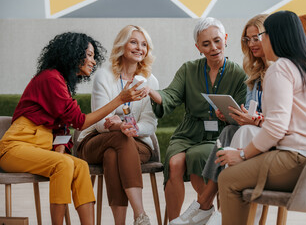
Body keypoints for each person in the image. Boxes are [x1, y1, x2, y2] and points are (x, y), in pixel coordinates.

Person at [0, 32, 147, 225]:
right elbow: (80, 121)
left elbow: (62, 127)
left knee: (80, 166)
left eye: (94, 56)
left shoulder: (61, 82)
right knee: (64, 164)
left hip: (39, 149)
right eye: (89, 55)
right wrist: (120, 98)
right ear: (73, 53)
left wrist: (60, 149)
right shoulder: (50, 78)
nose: (93, 61)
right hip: (14, 149)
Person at [217, 10, 306, 225]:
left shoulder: (282, 67)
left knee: (228, 179)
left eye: (262, 36)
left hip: (302, 161)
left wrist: (241, 155)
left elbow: (276, 130)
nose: (259, 42)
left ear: (274, 36)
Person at [147, 17, 247, 224]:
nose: (213, 48)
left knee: (197, 156)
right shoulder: (188, 69)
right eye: (206, 44)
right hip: (188, 132)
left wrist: (227, 117)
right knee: (174, 163)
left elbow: (242, 114)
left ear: (226, 39)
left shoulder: (238, 74)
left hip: (219, 134)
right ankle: (176, 221)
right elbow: (170, 95)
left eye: (217, 41)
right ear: (198, 47)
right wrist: (150, 92)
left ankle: (203, 213)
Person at [173, 14, 268, 225]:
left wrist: (253, 121)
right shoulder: (254, 72)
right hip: (251, 130)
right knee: (231, 132)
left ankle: (205, 206)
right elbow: (254, 109)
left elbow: (276, 117)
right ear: (198, 47)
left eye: (256, 38)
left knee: (234, 134)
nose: (252, 44)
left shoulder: (278, 71)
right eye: (248, 39)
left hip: (266, 134)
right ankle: (210, 208)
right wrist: (236, 116)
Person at [77, 25, 158, 225]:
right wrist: (119, 127)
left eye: (144, 44)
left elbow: (150, 122)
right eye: (133, 42)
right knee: (119, 139)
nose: (139, 48)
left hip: (137, 142)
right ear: (122, 45)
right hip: (95, 140)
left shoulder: (150, 81)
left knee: (113, 154)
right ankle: (140, 215)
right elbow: (99, 124)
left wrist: (135, 128)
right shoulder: (104, 76)